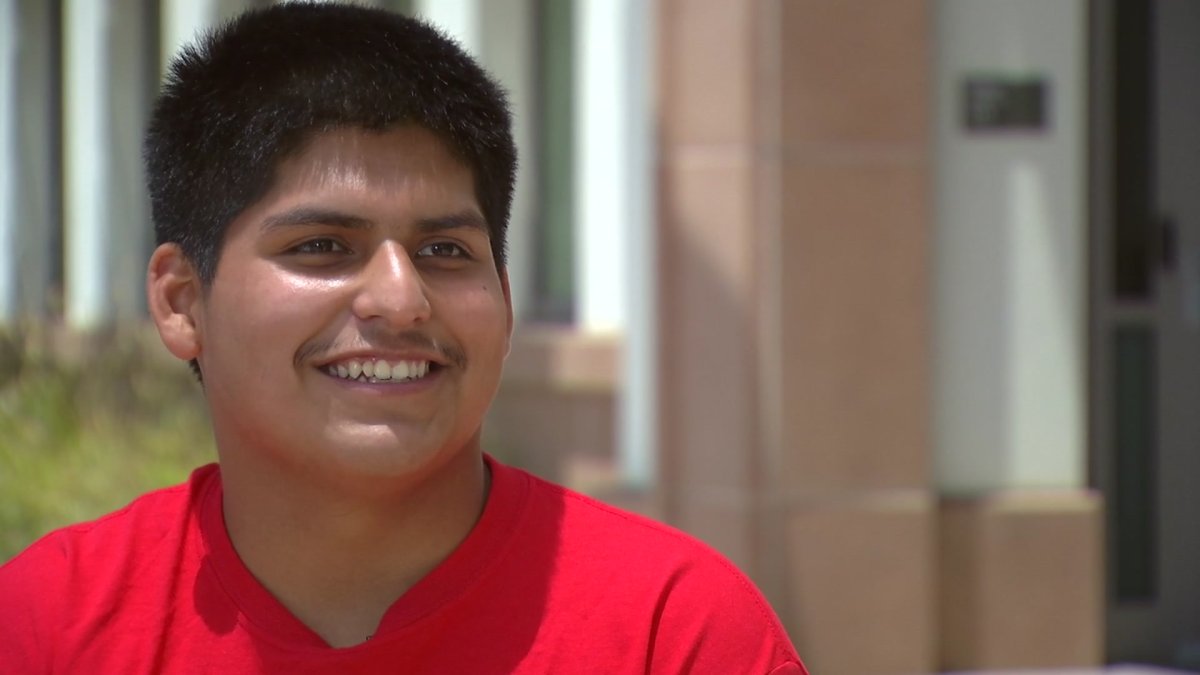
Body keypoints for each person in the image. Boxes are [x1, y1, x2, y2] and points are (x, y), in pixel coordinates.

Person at [0, 3, 806, 673]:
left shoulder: (677, 633)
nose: (400, 298)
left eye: (446, 251)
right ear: (181, 302)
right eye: (321, 246)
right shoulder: (50, 628)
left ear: (506, 301)